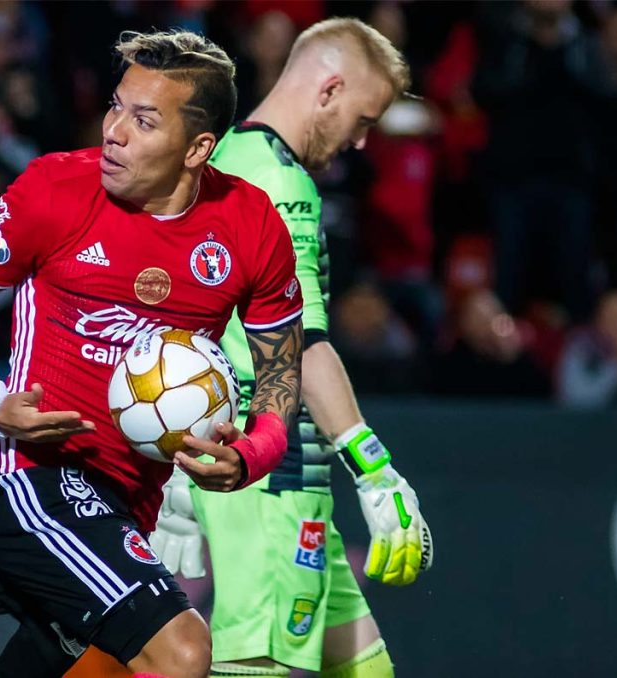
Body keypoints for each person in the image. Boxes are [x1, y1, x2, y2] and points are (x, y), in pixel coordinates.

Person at [0, 30, 304, 678]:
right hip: (33, 480)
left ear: (198, 148)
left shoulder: (251, 225)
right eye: (115, 106)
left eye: (143, 120)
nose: (114, 131)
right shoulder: (53, 189)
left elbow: (279, 371)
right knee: (182, 649)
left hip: (126, 502)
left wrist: (251, 456)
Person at [150, 18, 433, 677]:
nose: (361, 141)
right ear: (329, 90)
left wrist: (171, 460)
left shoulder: (220, 160)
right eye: (364, 119)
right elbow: (300, 343)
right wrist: (375, 470)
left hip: (243, 458)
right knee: (257, 665)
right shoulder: (282, 185)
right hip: (269, 469)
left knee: (364, 670)